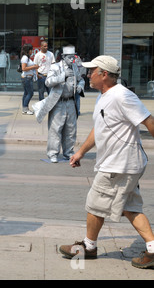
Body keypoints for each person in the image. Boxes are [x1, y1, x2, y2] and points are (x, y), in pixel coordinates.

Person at [59, 55, 154, 269]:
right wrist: (81, 152)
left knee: (94, 205)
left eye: (92, 70)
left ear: (104, 74)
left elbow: (149, 121)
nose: (88, 74)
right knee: (131, 207)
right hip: (121, 164)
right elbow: (99, 128)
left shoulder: (122, 95)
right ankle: (153, 249)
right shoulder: (104, 96)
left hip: (119, 164)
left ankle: (89, 247)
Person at [34, 45, 85, 163]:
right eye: (69, 57)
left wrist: (80, 87)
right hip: (58, 102)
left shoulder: (75, 68)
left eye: (73, 57)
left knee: (71, 128)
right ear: (63, 57)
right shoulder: (55, 67)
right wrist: (63, 76)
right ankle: (53, 153)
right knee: (55, 129)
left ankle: (68, 152)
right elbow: (48, 82)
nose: (72, 60)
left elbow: (81, 79)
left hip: (71, 102)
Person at [20, 43, 38, 115]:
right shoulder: (25, 58)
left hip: (27, 77)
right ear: (28, 50)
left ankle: (24, 108)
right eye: (31, 50)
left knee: (26, 93)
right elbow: (23, 68)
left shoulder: (27, 58)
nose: (32, 51)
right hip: (27, 78)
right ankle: (25, 108)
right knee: (30, 93)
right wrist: (33, 67)